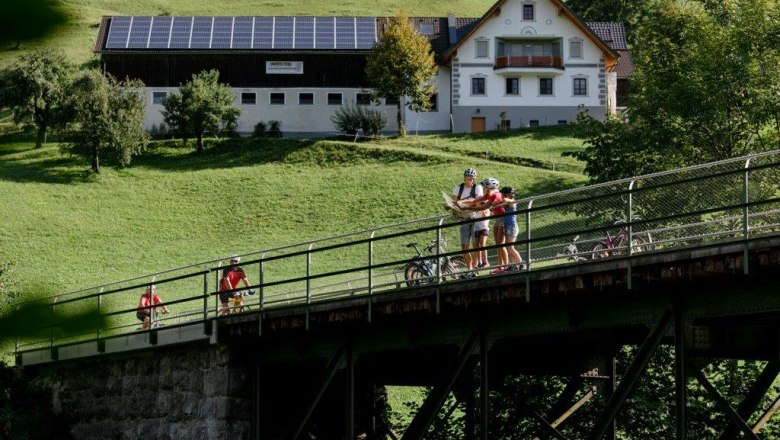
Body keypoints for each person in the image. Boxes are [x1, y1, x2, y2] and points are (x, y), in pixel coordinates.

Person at [451, 168, 484, 272]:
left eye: (471, 178)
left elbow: (478, 201)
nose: (469, 180)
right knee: (464, 246)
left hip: (475, 218)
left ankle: (475, 268)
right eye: (467, 178)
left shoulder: (477, 187)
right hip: (463, 219)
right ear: (464, 178)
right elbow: (453, 202)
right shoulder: (458, 188)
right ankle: (469, 268)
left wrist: (462, 202)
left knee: (475, 245)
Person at [493, 186, 525, 273]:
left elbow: (508, 201)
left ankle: (521, 263)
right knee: (509, 247)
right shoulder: (507, 202)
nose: (502, 197)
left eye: (503, 195)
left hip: (512, 226)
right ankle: (513, 265)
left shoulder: (512, 202)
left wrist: (503, 199)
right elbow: (499, 204)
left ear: (508, 195)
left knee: (510, 247)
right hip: (508, 226)